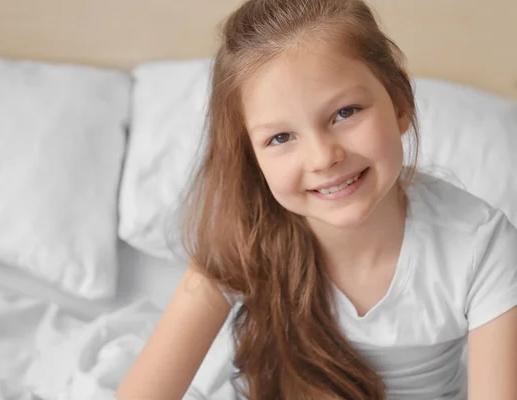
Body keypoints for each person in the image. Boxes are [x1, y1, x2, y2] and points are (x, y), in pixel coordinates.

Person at [116, 0, 517, 398]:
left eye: (345, 112)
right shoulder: (240, 238)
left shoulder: (480, 246)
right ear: (252, 158)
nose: (324, 157)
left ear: (400, 102)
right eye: (280, 138)